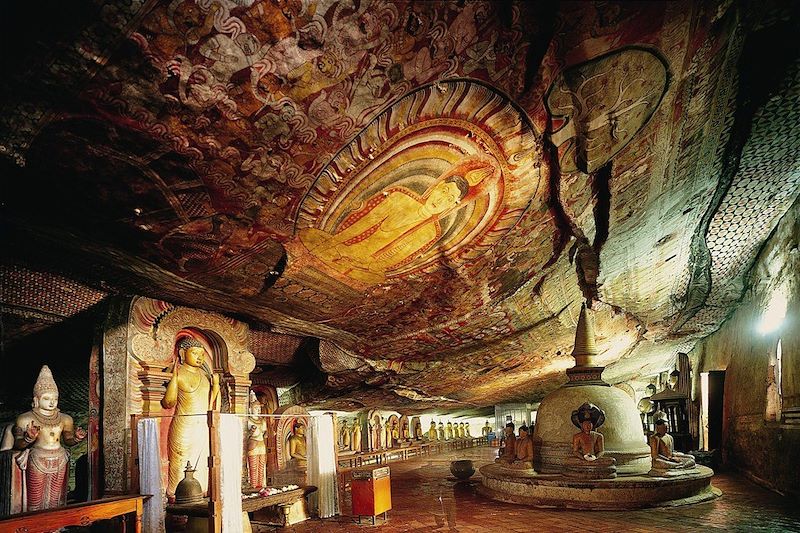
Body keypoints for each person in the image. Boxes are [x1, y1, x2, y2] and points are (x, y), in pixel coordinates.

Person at [299, 156, 500, 283]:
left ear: (453, 206)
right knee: (311, 240)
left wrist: (360, 263)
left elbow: (394, 259)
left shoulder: (431, 232)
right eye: (444, 190)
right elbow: (362, 221)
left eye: (450, 199)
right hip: (341, 245)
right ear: (436, 186)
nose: (441, 199)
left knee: (371, 278)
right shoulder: (400, 197)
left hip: (363, 266)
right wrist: (337, 243)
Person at [13, 366, 87, 511]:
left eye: (55, 398)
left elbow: (68, 441)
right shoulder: (25, 419)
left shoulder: (65, 419)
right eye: (47, 398)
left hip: (60, 459)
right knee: (35, 497)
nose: (52, 402)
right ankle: (34, 526)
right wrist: (28, 438)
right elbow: (18, 445)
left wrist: (77, 439)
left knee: (56, 498)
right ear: (36, 399)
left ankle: (54, 526)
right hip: (37, 459)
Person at [161, 336, 221, 497]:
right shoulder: (178, 373)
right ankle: (175, 497)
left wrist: (216, 386)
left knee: (202, 462)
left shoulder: (205, 376)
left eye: (201, 354)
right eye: (194, 352)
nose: (200, 357)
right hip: (184, 425)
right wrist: (174, 379)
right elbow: (168, 402)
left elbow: (213, 406)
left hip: (202, 425)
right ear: (182, 353)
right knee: (180, 460)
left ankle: (199, 496)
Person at [564, 403, 616, 478]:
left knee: (611, 460)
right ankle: (589, 466)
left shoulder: (599, 436)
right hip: (582, 459)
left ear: (593, 425)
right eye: (585, 424)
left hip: (595, 459)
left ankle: (590, 466)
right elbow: (575, 451)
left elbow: (601, 451)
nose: (587, 426)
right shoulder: (577, 436)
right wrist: (583, 458)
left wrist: (595, 458)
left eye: (589, 424)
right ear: (581, 425)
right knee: (568, 461)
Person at [246, 391, 267, 489]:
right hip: (253, 443)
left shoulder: (262, 420)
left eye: (259, 408)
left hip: (261, 444)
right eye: (256, 408)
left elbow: (265, 433)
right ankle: (253, 486)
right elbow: (246, 434)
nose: (258, 410)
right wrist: (251, 431)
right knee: (253, 467)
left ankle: (261, 485)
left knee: (261, 466)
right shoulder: (249, 420)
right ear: (250, 410)